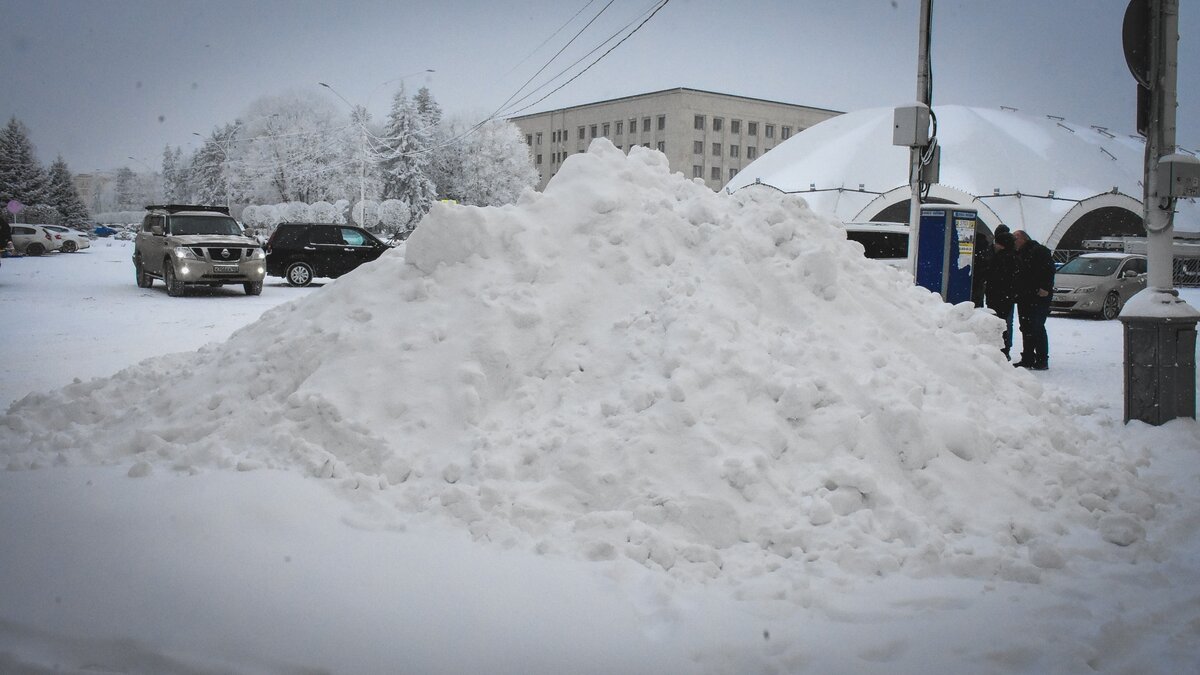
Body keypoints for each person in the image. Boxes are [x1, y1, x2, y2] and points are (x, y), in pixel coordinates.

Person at [1012, 229, 1056, 370]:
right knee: (1026, 327)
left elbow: (1048, 270)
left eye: (1016, 238)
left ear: (1024, 239)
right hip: (1025, 295)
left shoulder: (1038, 251)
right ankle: (1028, 358)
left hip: (1038, 295)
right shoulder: (1020, 253)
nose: (1013, 241)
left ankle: (1042, 359)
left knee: (1036, 326)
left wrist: (1045, 287)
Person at [986, 231, 1018, 359]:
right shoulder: (1015, 257)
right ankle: (1005, 349)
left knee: (998, 323)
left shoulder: (1000, 258)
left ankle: (1001, 350)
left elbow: (994, 276)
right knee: (1006, 323)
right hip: (1007, 296)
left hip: (998, 296)